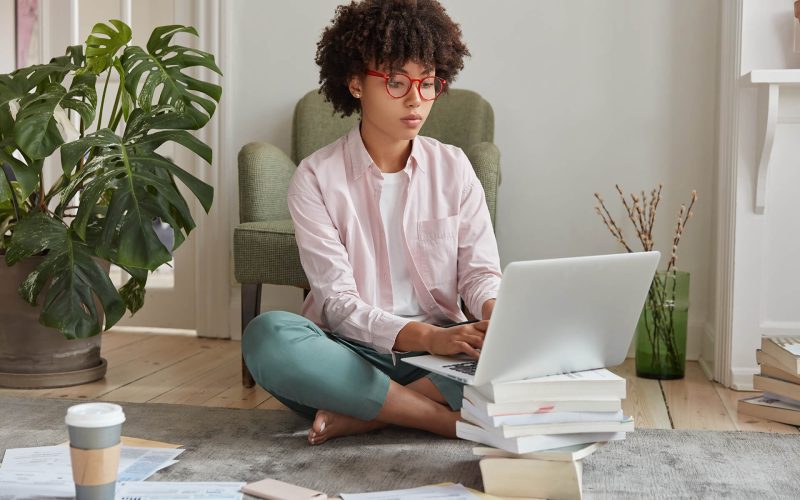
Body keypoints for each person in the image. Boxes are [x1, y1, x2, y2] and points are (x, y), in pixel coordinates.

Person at [243, 0, 501, 445]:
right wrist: (423, 337)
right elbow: (338, 303)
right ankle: (441, 419)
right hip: (348, 352)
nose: (416, 99)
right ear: (357, 83)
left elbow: (480, 275)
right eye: (397, 82)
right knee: (268, 337)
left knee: (535, 356)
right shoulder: (316, 178)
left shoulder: (454, 168)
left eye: (428, 83)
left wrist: (500, 320)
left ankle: (368, 415)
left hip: (444, 351)